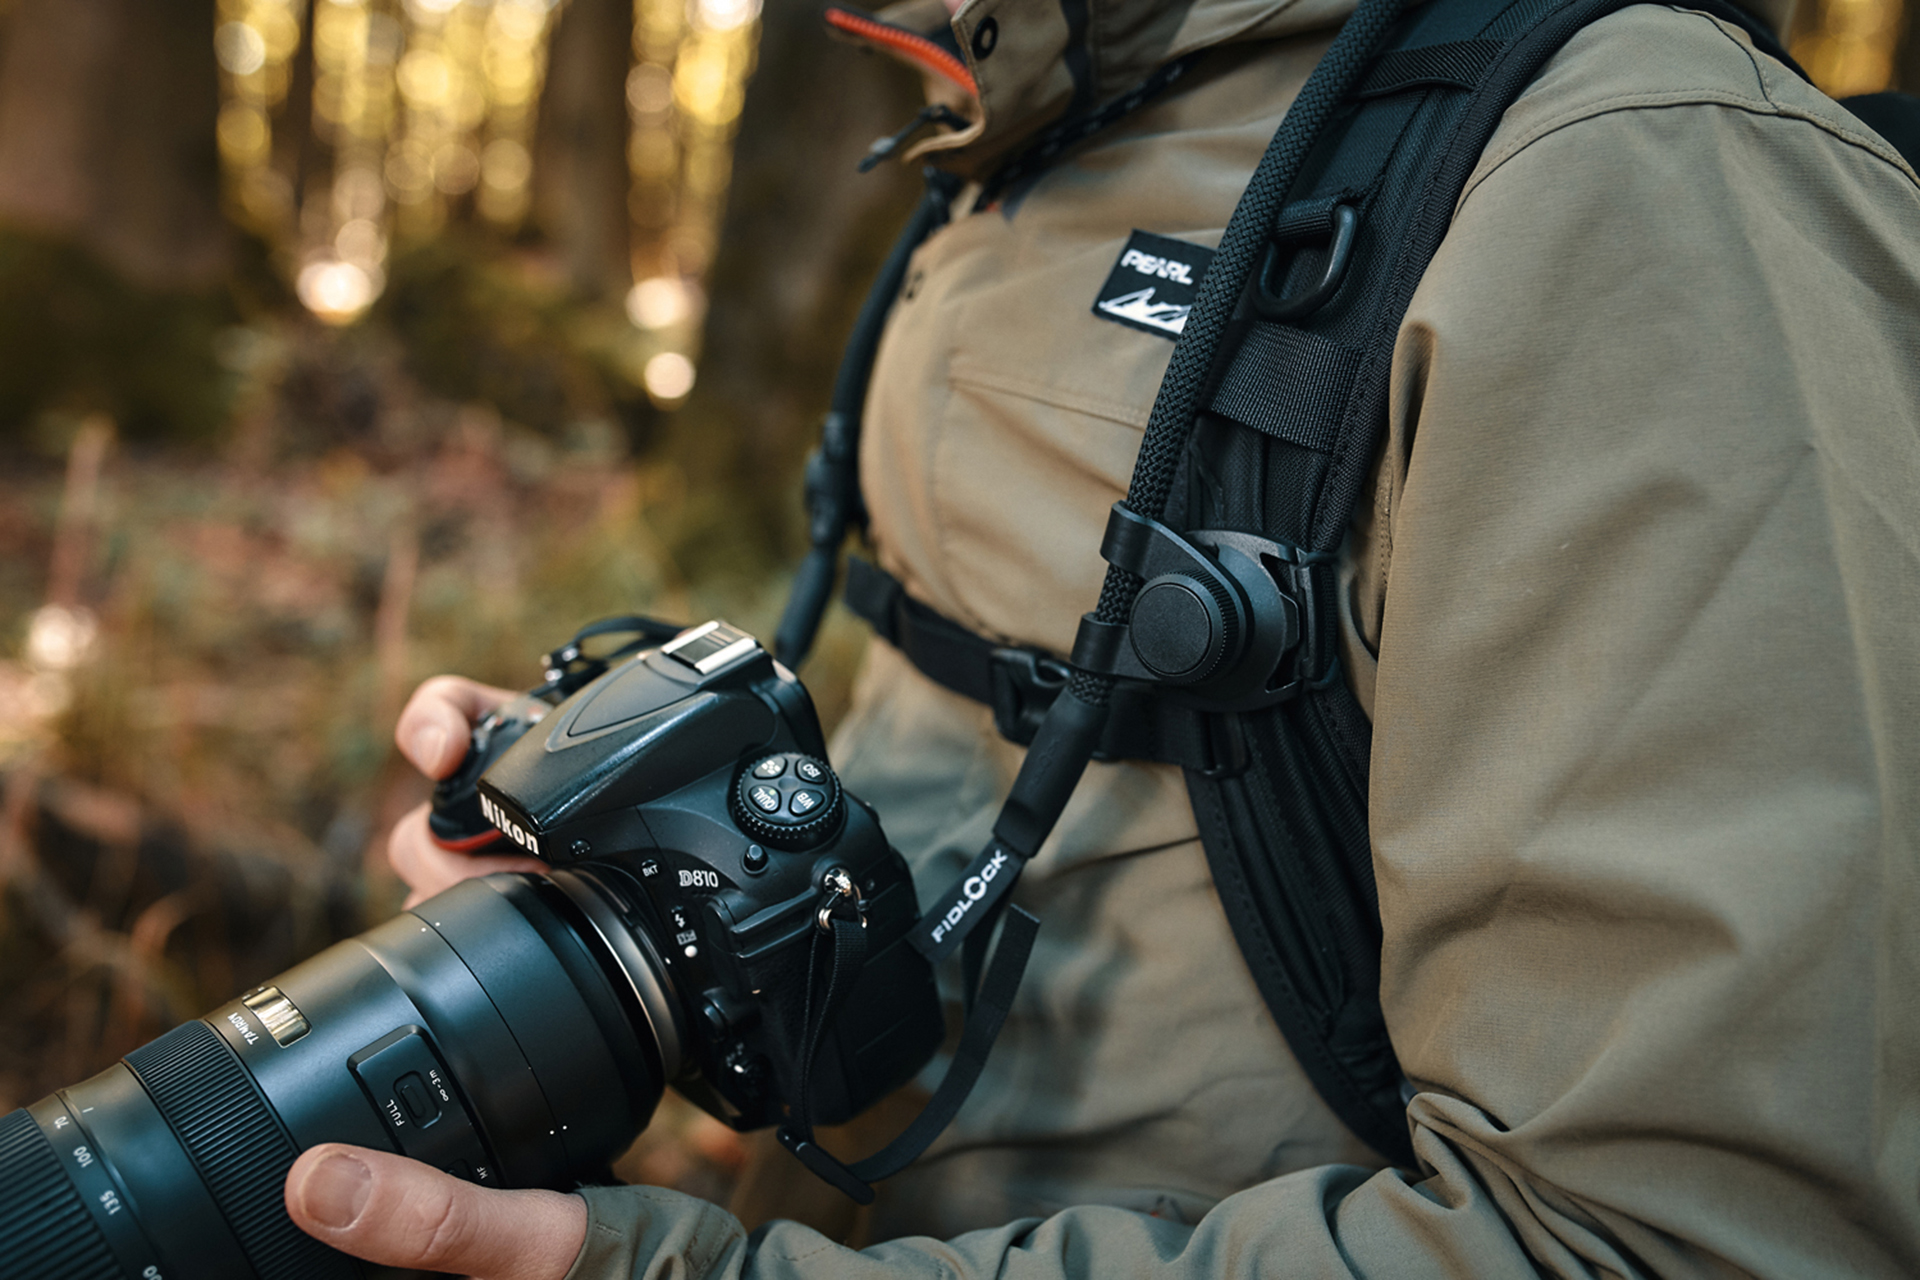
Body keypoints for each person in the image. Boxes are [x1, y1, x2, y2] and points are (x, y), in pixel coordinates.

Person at [281, 0, 1920, 1275]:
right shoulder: (1033, 107)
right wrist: (630, 885)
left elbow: (1677, 1235)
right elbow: (1007, 736)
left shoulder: (1636, 182)